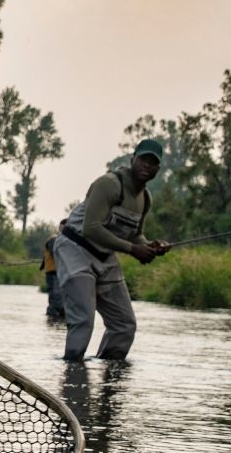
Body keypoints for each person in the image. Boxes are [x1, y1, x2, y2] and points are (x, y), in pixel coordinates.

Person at [53, 139, 171, 360]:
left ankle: (110, 385)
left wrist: (150, 246)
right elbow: (91, 229)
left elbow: (135, 234)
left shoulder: (145, 199)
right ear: (132, 159)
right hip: (74, 248)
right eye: (143, 159)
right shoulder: (108, 184)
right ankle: (72, 379)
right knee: (83, 321)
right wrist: (133, 250)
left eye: (153, 163)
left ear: (158, 168)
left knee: (125, 325)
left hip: (105, 256)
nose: (147, 165)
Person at [41, 219, 66, 320]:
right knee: (55, 295)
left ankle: (58, 315)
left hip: (57, 272)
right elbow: (54, 252)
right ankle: (54, 316)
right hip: (53, 272)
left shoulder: (61, 240)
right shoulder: (54, 239)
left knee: (59, 295)